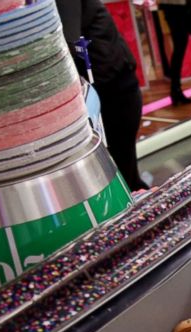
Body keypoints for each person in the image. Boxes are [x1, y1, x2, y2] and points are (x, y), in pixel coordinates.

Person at [56, 0, 146, 190]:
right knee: (128, 177)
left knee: (123, 178)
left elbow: (68, 42)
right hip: (112, 85)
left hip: (112, 89)